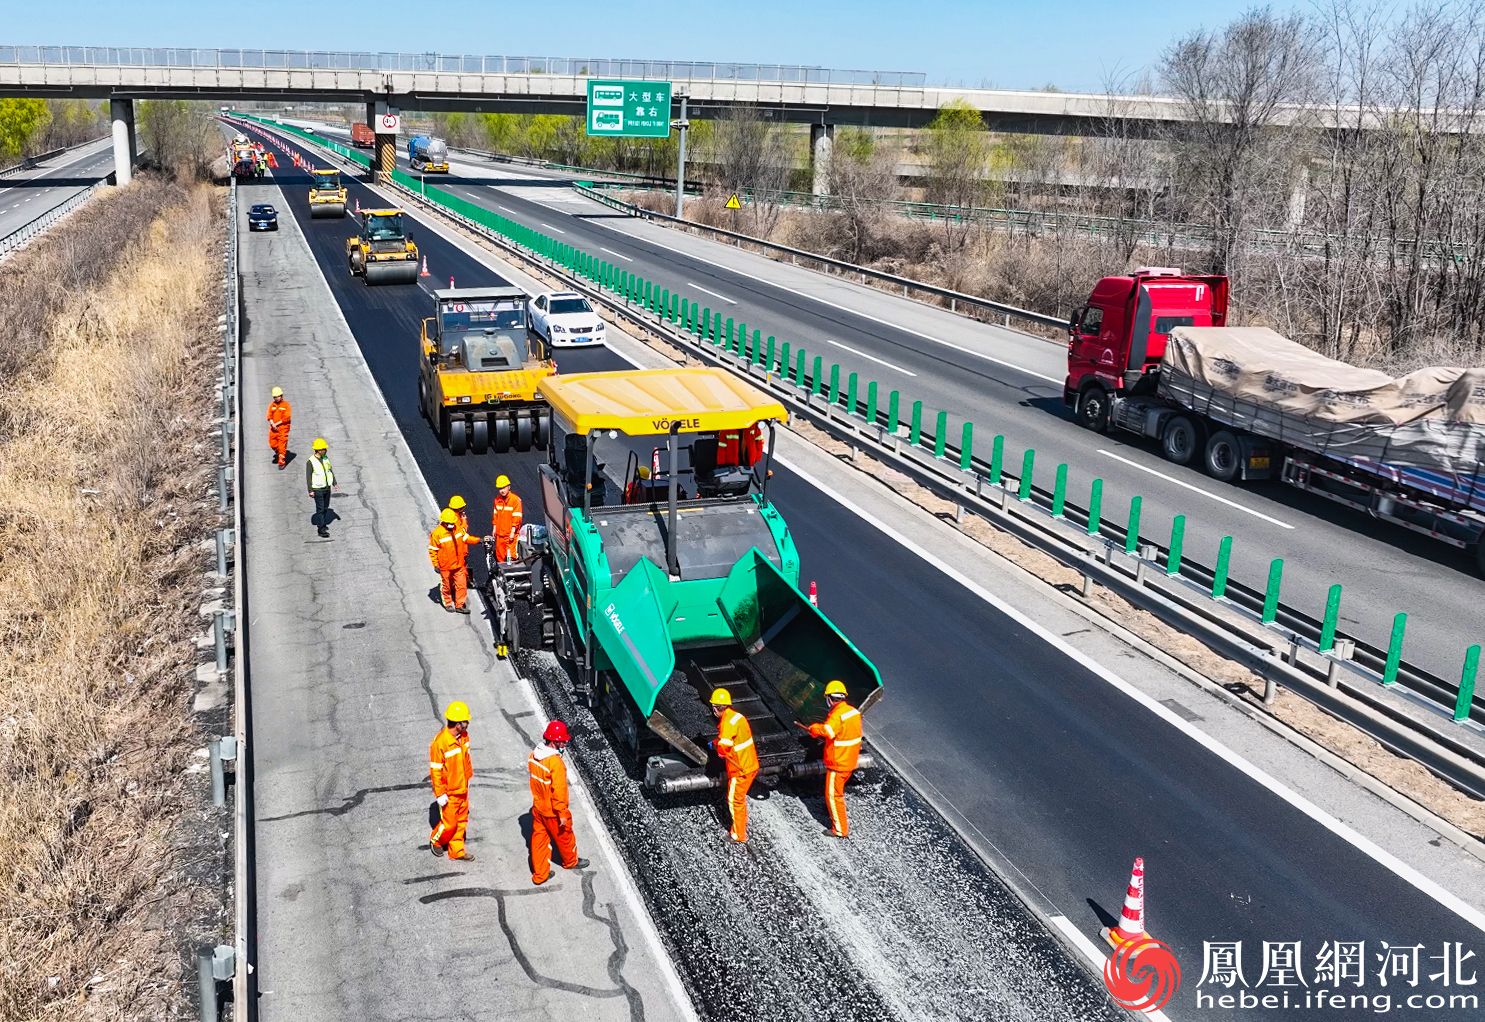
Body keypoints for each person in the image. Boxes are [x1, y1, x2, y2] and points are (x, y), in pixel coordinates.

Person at [796, 680, 862, 838]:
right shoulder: (852, 712)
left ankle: (840, 829)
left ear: (830, 698)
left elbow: (828, 731)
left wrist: (813, 728)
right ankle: (834, 812)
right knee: (836, 792)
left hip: (838, 763)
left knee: (834, 795)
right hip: (849, 759)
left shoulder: (837, 715)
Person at [528, 720, 590, 885]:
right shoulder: (555, 763)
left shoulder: (534, 756)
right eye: (562, 741)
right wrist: (562, 813)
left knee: (539, 842)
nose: (564, 743)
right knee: (565, 837)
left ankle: (540, 875)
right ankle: (570, 861)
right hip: (553, 812)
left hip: (539, 808)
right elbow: (559, 790)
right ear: (553, 741)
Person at [710, 688, 759, 843]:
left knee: (734, 800)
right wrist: (716, 742)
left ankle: (739, 835)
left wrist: (718, 748)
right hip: (750, 764)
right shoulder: (737, 717)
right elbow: (733, 740)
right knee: (740, 798)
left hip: (740, 769)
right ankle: (742, 824)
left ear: (716, 708)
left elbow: (724, 748)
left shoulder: (726, 724)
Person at [429, 701, 474, 861]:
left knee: (461, 822)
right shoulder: (440, 743)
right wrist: (440, 793)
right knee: (449, 824)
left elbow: (465, 760)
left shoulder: (464, 737)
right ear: (458, 723)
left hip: (462, 789)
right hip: (449, 792)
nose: (467, 723)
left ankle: (457, 851)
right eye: (465, 721)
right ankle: (436, 839)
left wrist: (467, 779)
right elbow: (435, 771)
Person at [428, 508, 474, 614]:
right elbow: (433, 550)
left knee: (461, 585)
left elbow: (465, 538)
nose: (451, 524)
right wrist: (435, 564)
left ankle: (460, 605)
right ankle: (448, 603)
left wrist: (478, 540)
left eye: (452, 522)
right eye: (449, 523)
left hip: (459, 564)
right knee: (446, 586)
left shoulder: (457, 528)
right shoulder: (437, 534)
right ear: (444, 522)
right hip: (445, 566)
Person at [306, 438, 337, 538]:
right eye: (324, 449)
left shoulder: (325, 458)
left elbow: (329, 471)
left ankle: (322, 523)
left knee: (325, 507)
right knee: (320, 509)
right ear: (319, 450)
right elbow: (308, 476)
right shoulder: (311, 461)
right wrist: (310, 490)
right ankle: (321, 528)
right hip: (318, 489)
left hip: (327, 487)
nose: (326, 450)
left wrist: (334, 483)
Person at [491, 474, 523, 562]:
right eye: (500, 489)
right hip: (500, 535)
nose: (502, 491)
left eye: (504, 488)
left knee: (511, 556)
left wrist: (513, 532)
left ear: (508, 487)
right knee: (499, 555)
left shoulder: (515, 500)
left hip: (510, 535)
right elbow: (495, 515)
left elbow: (517, 518)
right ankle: (501, 573)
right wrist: (494, 529)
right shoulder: (497, 501)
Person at [266, 386, 291, 469]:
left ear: (281, 396)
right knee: (272, 444)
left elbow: (286, 418)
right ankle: (280, 453)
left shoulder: (286, 405)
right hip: (273, 429)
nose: (277, 398)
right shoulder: (272, 405)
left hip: (283, 429)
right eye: (275, 397)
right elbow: (269, 416)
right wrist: (272, 423)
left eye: (278, 396)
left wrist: (277, 424)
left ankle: (282, 462)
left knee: (281, 445)